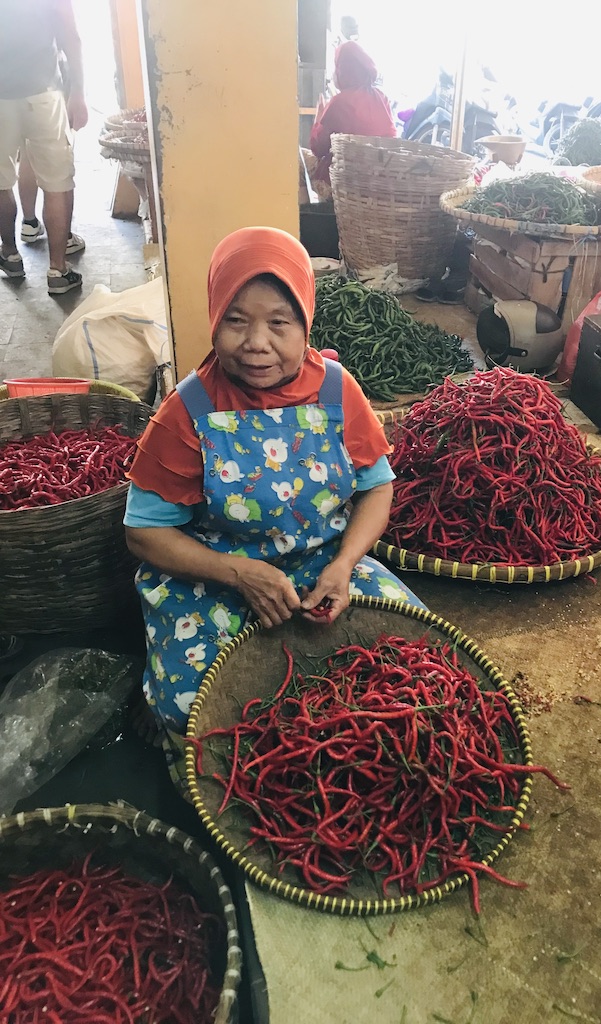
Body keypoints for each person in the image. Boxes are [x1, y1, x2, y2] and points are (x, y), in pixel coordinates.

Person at [124, 226, 425, 735]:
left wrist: (344, 564)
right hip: (213, 580)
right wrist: (239, 574)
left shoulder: (336, 390)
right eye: (236, 320)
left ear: (306, 322)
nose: (256, 343)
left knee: (412, 661)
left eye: (279, 323)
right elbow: (143, 532)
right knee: (193, 708)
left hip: (322, 568)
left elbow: (377, 486)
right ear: (214, 319)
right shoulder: (189, 409)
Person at [0, 0, 87, 295]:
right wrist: (78, 91)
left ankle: (10, 255)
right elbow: (70, 35)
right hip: (43, 93)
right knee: (57, 183)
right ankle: (58, 270)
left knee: (1, 181)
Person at [309, 40, 396, 189]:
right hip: (380, 182)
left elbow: (318, 148)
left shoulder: (339, 102)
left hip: (346, 184)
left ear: (344, 70)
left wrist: (318, 119)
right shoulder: (382, 98)